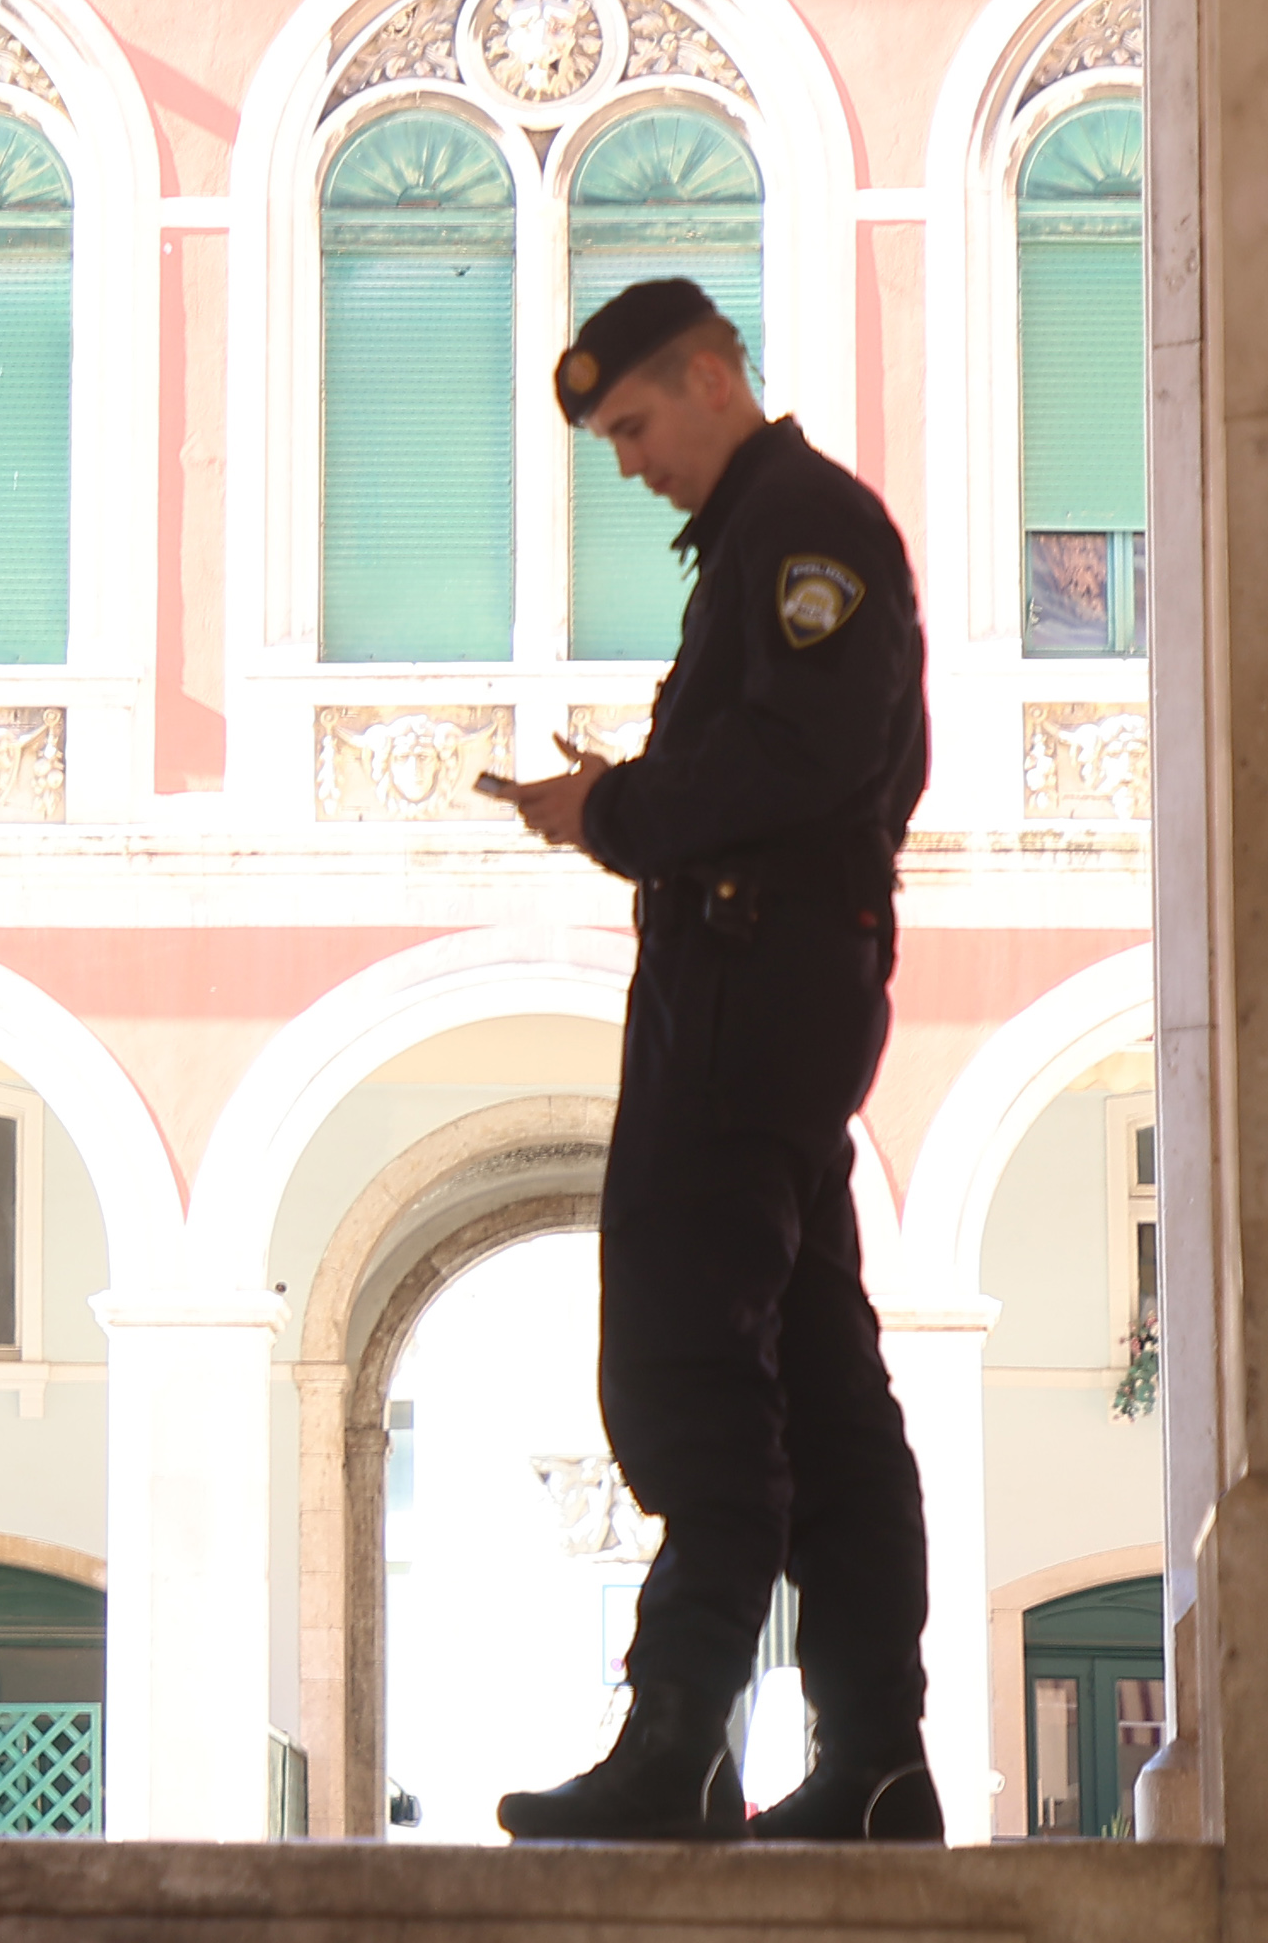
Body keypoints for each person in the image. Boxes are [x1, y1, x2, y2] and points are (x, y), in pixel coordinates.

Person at [491, 279, 941, 1845]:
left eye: (634, 425)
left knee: (687, 1353)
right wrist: (636, 797)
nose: (628, 464)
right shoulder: (763, 537)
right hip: (767, 982)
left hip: (756, 989)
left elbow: (806, 756)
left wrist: (615, 809)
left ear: (711, 376)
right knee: (819, 1382)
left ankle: (682, 1738)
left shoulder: (805, 528)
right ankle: (874, 1762)